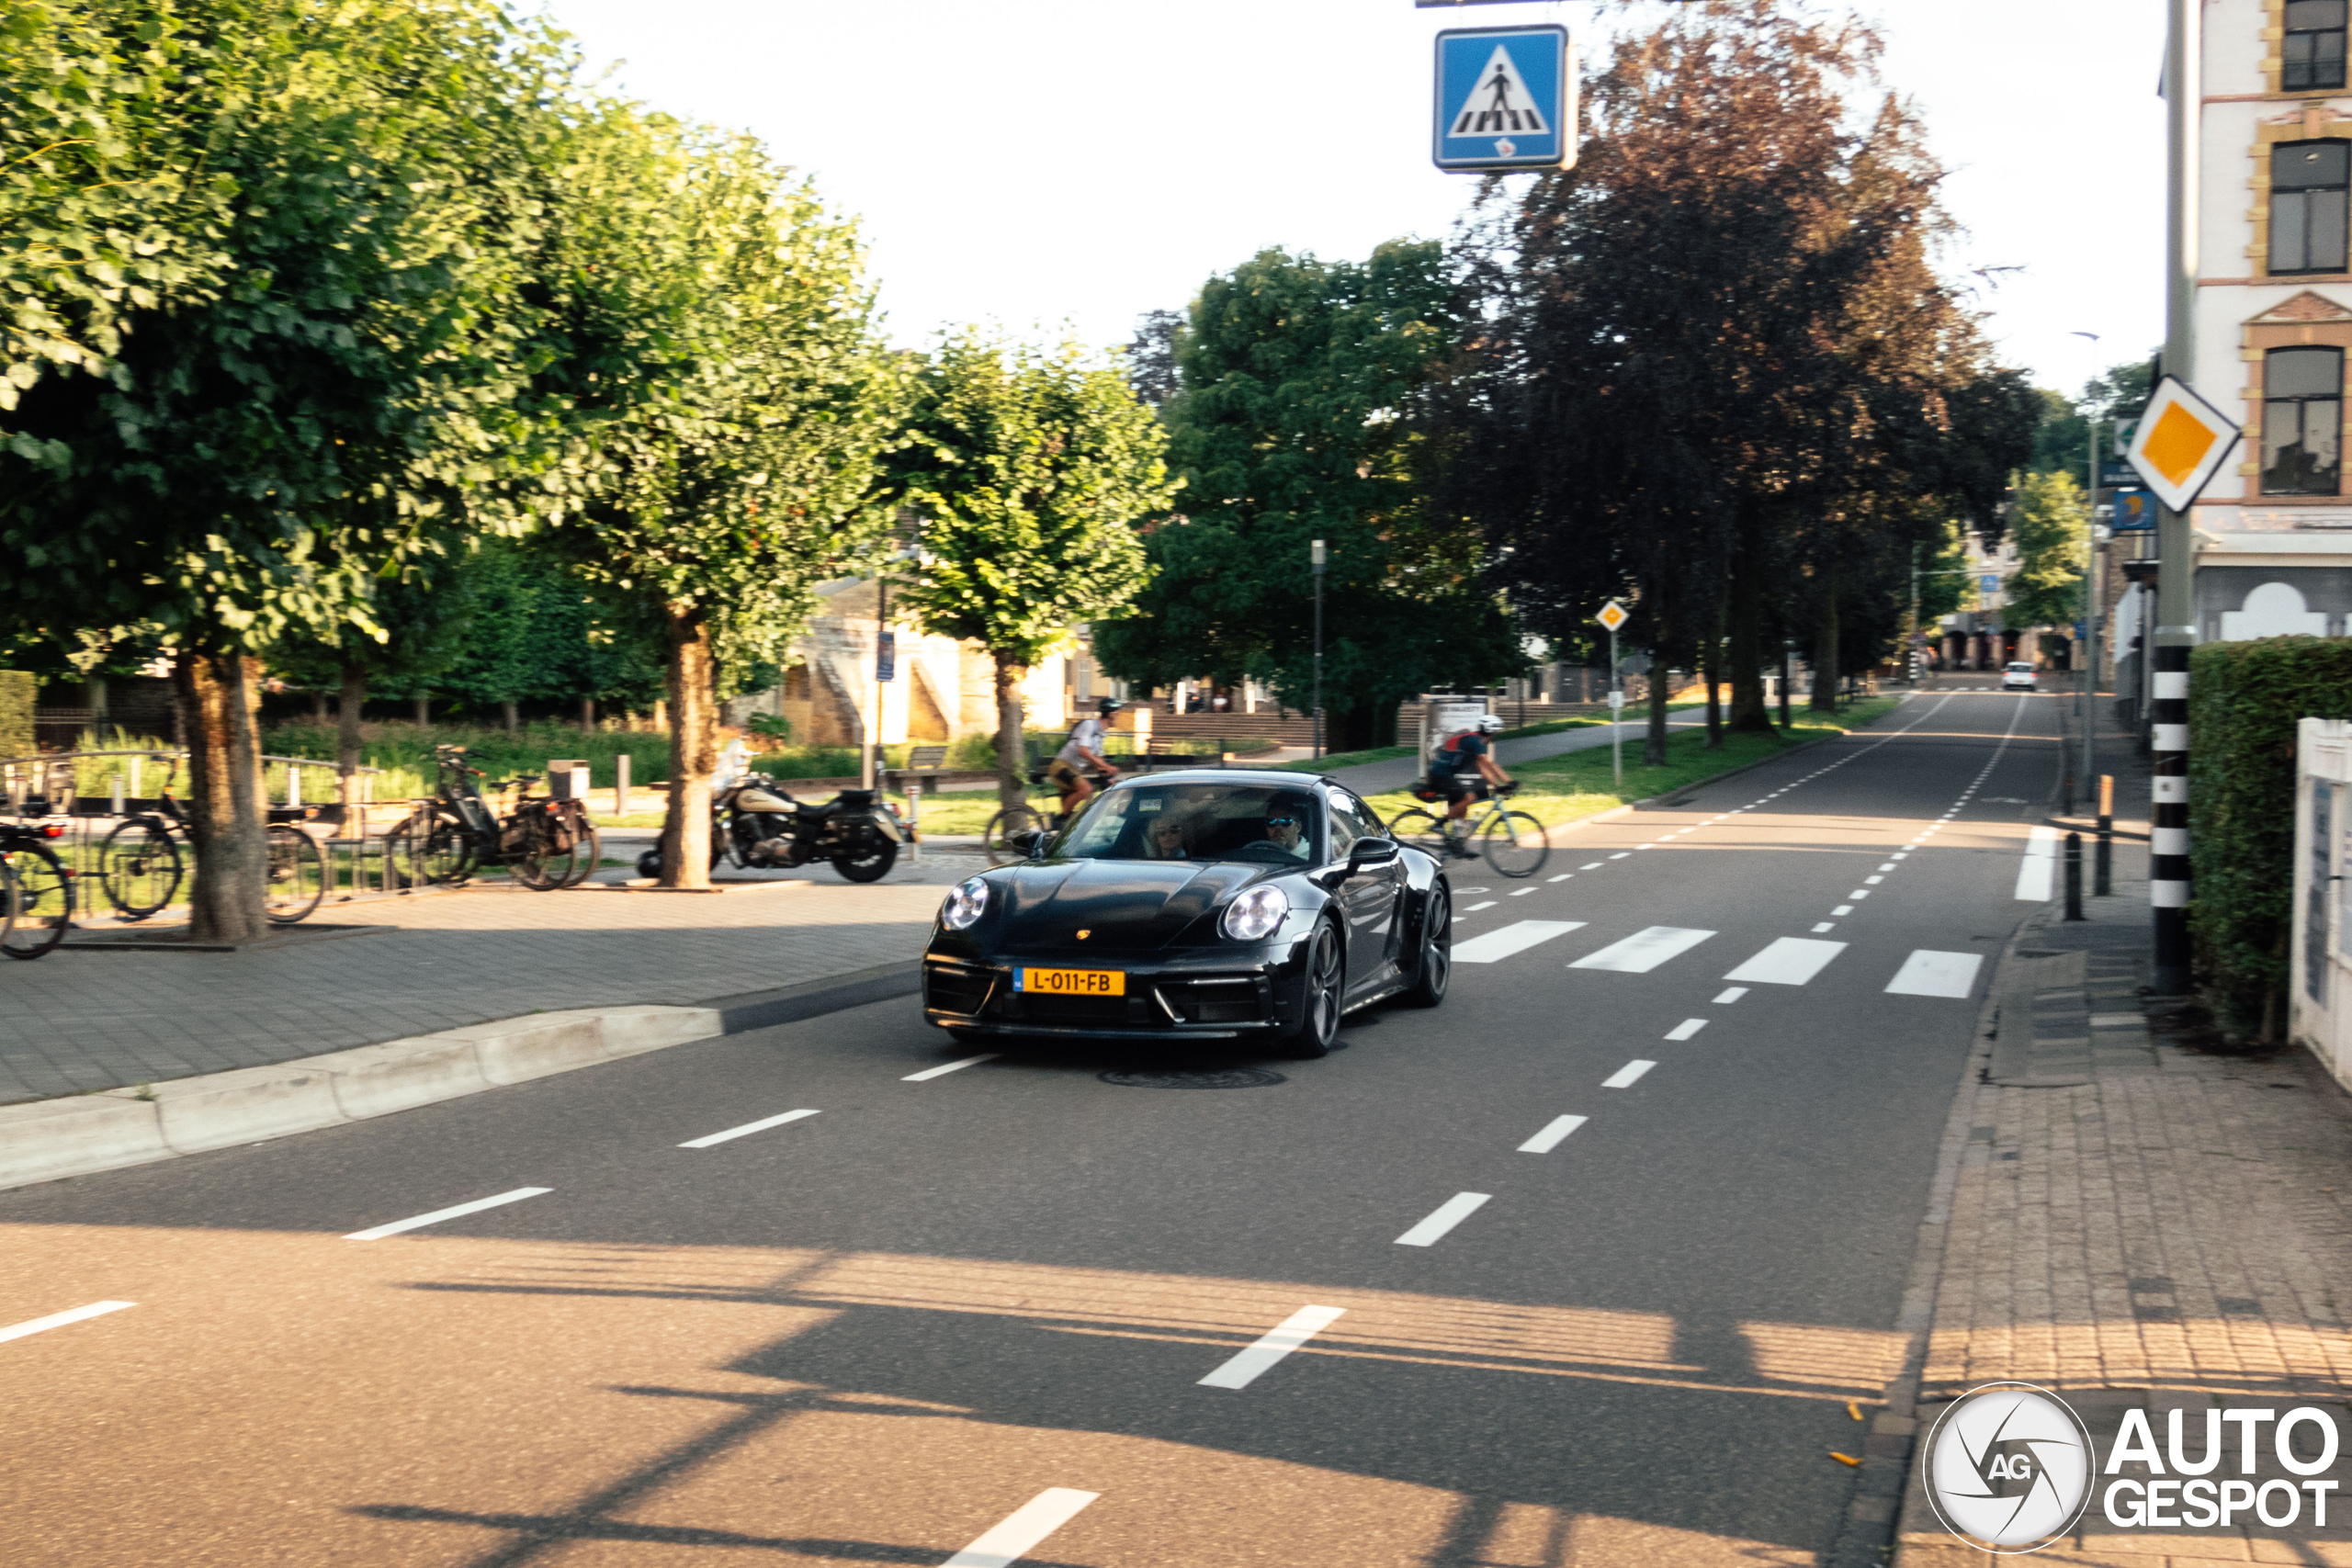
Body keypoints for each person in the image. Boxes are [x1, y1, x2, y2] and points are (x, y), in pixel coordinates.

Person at [1426, 714, 1512, 857]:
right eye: (1496, 733)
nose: (1496, 736)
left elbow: (1481, 768)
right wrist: (1508, 782)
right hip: (1440, 775)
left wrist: (1497, 784)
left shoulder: (1474, 740)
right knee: (1469, 797)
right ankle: (1439, 824)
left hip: (1444, 775)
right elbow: (1488, 763)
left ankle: (1458, 846)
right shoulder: (1476, 741)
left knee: (1463, 806)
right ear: (1490, 731)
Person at [1046, 697, 1122, 817]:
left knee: (1069, 820)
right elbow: (1083, 752)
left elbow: (1099, 764)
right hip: (1061, 767)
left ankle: (1059, 824)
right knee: (1086, 789)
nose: (1118, 717)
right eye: (1117, 713)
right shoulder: (1089, 725)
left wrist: (1109, 777)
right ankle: (1060, 818)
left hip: (1073, 770)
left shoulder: (1100, 735)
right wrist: (1107, 766)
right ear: (1110, 714)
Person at [1261, 792, 1314, 862]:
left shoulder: (1312, 854)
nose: (1277, 827)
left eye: (1285, 821)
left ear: (1298, 827)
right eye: (1271, 822)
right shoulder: (1261, 854)